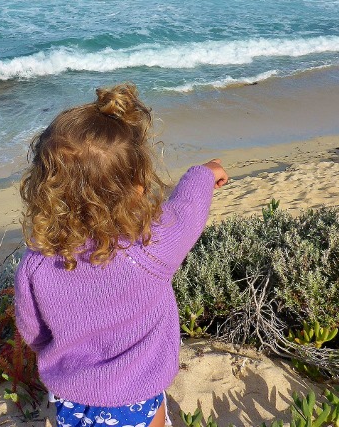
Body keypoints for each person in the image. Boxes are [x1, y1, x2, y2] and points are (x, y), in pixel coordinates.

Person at [14, 83, 229, 427]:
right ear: (138, 184)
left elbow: (33, 331)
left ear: (45, 188)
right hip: (139, 393)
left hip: (73, 394)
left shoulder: (37, 262)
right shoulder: (149, 245)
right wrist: (203, 174)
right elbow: (188, 211)